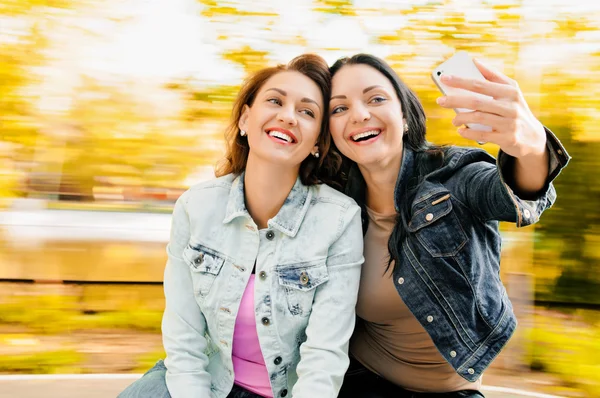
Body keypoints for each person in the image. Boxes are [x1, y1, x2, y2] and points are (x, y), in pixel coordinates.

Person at [118, 54, 364, 398]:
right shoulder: (196, 207)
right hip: (202, 380)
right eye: (275, 101)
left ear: (318, 144)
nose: (288, 116)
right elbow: (184, 341)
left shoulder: (339, 219)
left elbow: (324, 357)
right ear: (246, 119)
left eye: (307, 112)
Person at [327, 54, 570, 398]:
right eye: (339, 108)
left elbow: (513, 194)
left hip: (452, 390)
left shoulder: (452, 175)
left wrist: (530, 148)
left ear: (405, 116)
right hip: (358, 377)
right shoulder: (332, 202)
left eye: (376, 98)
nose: (359, 114)